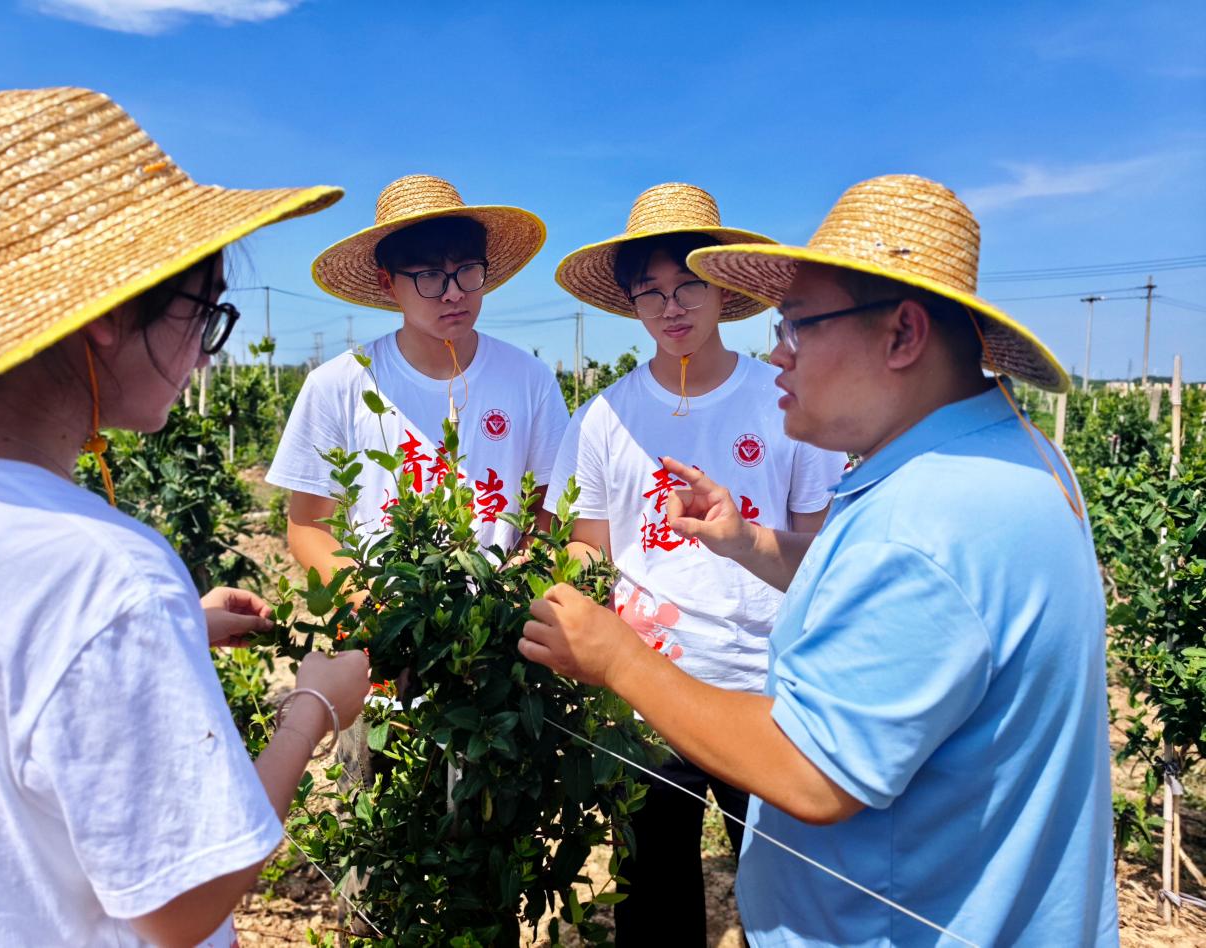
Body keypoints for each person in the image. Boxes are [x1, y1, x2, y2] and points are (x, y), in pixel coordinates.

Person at [520, 175, 1120, 946]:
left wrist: (620, 660)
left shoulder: (925, 524)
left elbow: (811, 771)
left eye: (798, 325)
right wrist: (746, 542)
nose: (777, 354)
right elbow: (865, 586)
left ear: (902, 335)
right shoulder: (1007, 459)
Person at [0, 87, 372, 947]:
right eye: (205, 311)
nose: (203, 353)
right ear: (109, 312)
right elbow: (183, 904)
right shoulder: (100, 573)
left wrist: (169, 631)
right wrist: (314, 707)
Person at [549, 182, 847, 944]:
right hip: (649, 697)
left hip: (768, 695)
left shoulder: (783, 401)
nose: (670, 308)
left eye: (687, 286)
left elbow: (820, 553)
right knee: (654, 903)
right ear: (630, 303)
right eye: (649, 292)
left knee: (792, 902)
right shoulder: (604, 417)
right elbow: (588, 545)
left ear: (721, 288)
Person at [268, 174, 568, 582]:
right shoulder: (338, 384)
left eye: (467, 271)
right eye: (429, 276)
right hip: (381, 612)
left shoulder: (529, 379)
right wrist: (370, 603)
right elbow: (307, 526)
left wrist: (509, 590)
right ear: (387, 283)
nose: (453, 293)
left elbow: (549, 511)